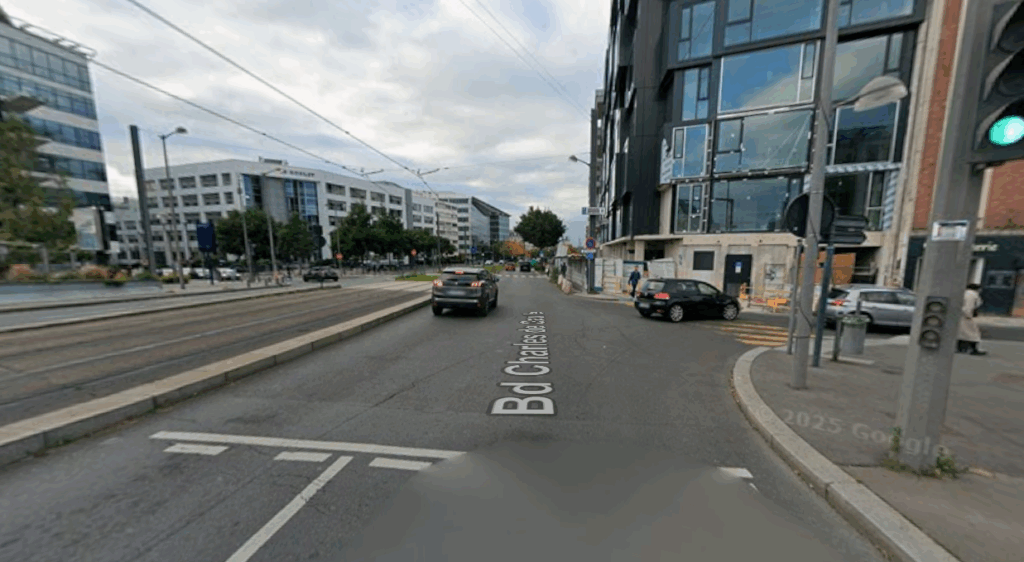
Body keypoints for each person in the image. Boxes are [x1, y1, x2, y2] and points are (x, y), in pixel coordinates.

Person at [957, 283, 987, 355]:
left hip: (960, 316)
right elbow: (968, 306)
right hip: (966, 317)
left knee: (961, 333)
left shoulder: (965, 293)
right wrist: (969, 315)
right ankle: (974, 349)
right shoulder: (972, 295)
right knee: (974, 334)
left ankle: (960, 348)